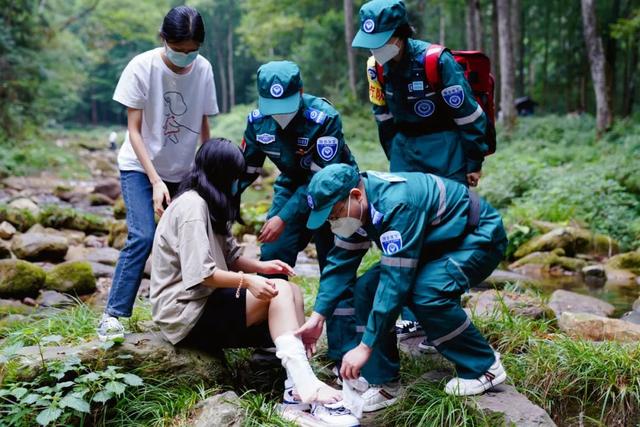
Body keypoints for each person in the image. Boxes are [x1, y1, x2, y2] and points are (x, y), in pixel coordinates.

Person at [149, 139, 359, 426]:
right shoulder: (191, 207)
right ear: (222, 174)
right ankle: (304, 385)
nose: (239, 183)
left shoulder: (210, 203)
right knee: (279, 291)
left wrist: (262, 267)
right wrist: (249, 281)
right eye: (236, 176)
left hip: (205, 300)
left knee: (291, 289)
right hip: (184, 311)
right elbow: (202, 273)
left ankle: (296, 393)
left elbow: (231, 257)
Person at [296, 164, 508, 411]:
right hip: (432, 240)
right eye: (330, 219)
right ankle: (384, 383)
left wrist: (364, 346)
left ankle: (484, 366)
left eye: (335, 214)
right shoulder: (356, 210)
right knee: (366, 289)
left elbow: (395, 281)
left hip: (475, 237)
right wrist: (318, 316)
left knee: (427, 294)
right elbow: (339, 265)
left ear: (355, 195)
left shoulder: (396, 204)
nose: (334, 222)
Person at [352, 0, 492, 345]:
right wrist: (394, 159)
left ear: (400, 35)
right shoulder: (376, 67)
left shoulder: (435, 61)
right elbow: (382, 116)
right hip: (405, 150)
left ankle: (441, 316)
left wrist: (473, 162)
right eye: (370, 43)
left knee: (445, 232)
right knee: (406, 230)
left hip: (445, 148)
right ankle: (413, 318)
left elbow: (469, 115)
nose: (375, 49)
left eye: (382, 40)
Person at [97, 6, 219, 342]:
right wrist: (154, 182)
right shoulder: (141, 66)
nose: (185, 57)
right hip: (140, 167)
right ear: (163, 39)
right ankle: (113, 315)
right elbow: (134, 131)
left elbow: (205, 124)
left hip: (184, 169)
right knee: (143, 236)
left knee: (189, 239)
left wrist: (207, 173)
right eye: (179, 50)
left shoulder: (204, 69)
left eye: (192, 50)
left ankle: (181, 310)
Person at [238, 61, 360, 370]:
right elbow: (245, 169)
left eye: (285, 105)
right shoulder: (258, 122)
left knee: (335, 265)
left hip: (333, 193)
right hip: (291, 185)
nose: (279, 113)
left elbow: (318, 182)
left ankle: (343, 354)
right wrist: (218, 202)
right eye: (272, 106)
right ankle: (273, 343)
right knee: (273, 254)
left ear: (301, 93)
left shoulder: (323, 119)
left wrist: (282, 218)